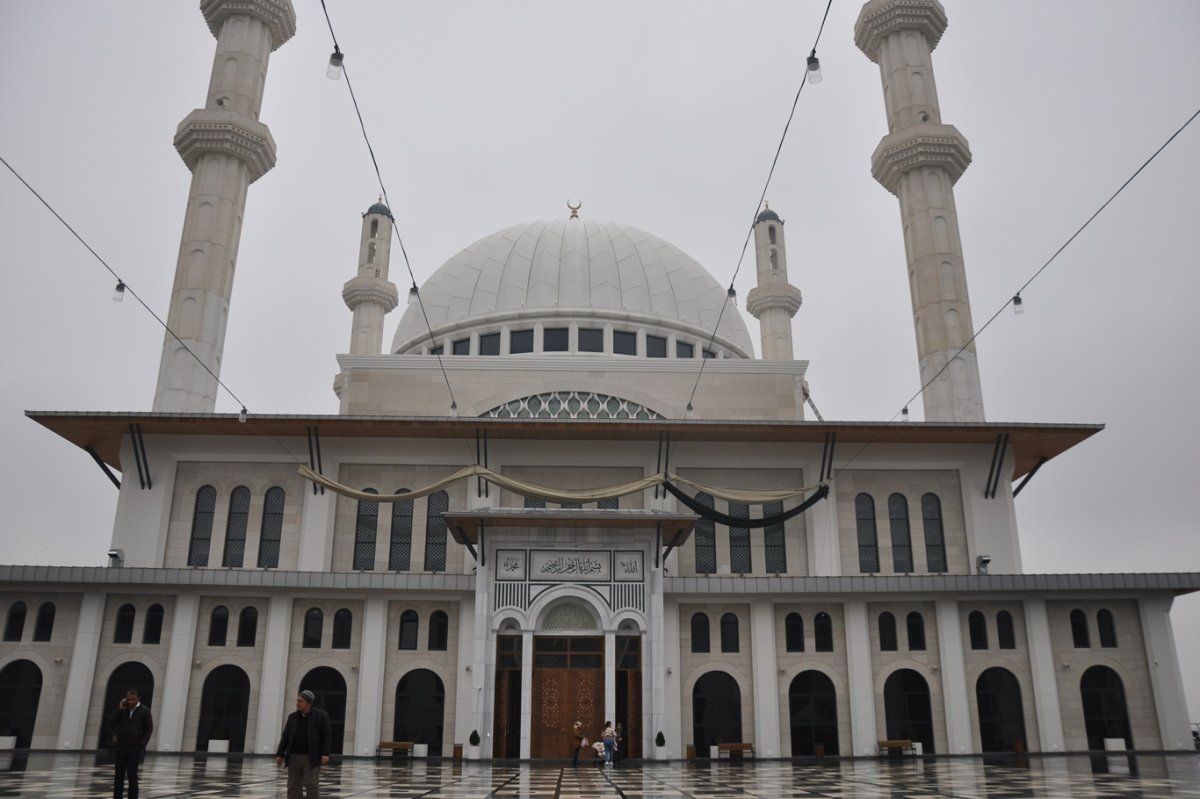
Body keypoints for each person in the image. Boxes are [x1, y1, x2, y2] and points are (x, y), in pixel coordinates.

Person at [275, 689, 332, 799]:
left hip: (311, 757)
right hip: (293, 757)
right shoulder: (292, 717)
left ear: (308, 703)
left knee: (310, 783)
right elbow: (285, 737)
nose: (297, 703)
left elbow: (326, 735)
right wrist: (280, 754)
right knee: (293, 786)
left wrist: (325, 753)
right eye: (297, 700)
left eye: (300, 701)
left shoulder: (320, 716)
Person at [109, 688, 153, 799]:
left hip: (135, 746)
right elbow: (112, 722)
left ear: (138, 698)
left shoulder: (144, 710)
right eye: (128, 699)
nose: (130, 702)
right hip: (122, 745)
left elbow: (149, 728)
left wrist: (142, 744)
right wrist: (119, 709)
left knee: (132, 773)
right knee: (119, 774)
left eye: (133, 699)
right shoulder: (122, 709)